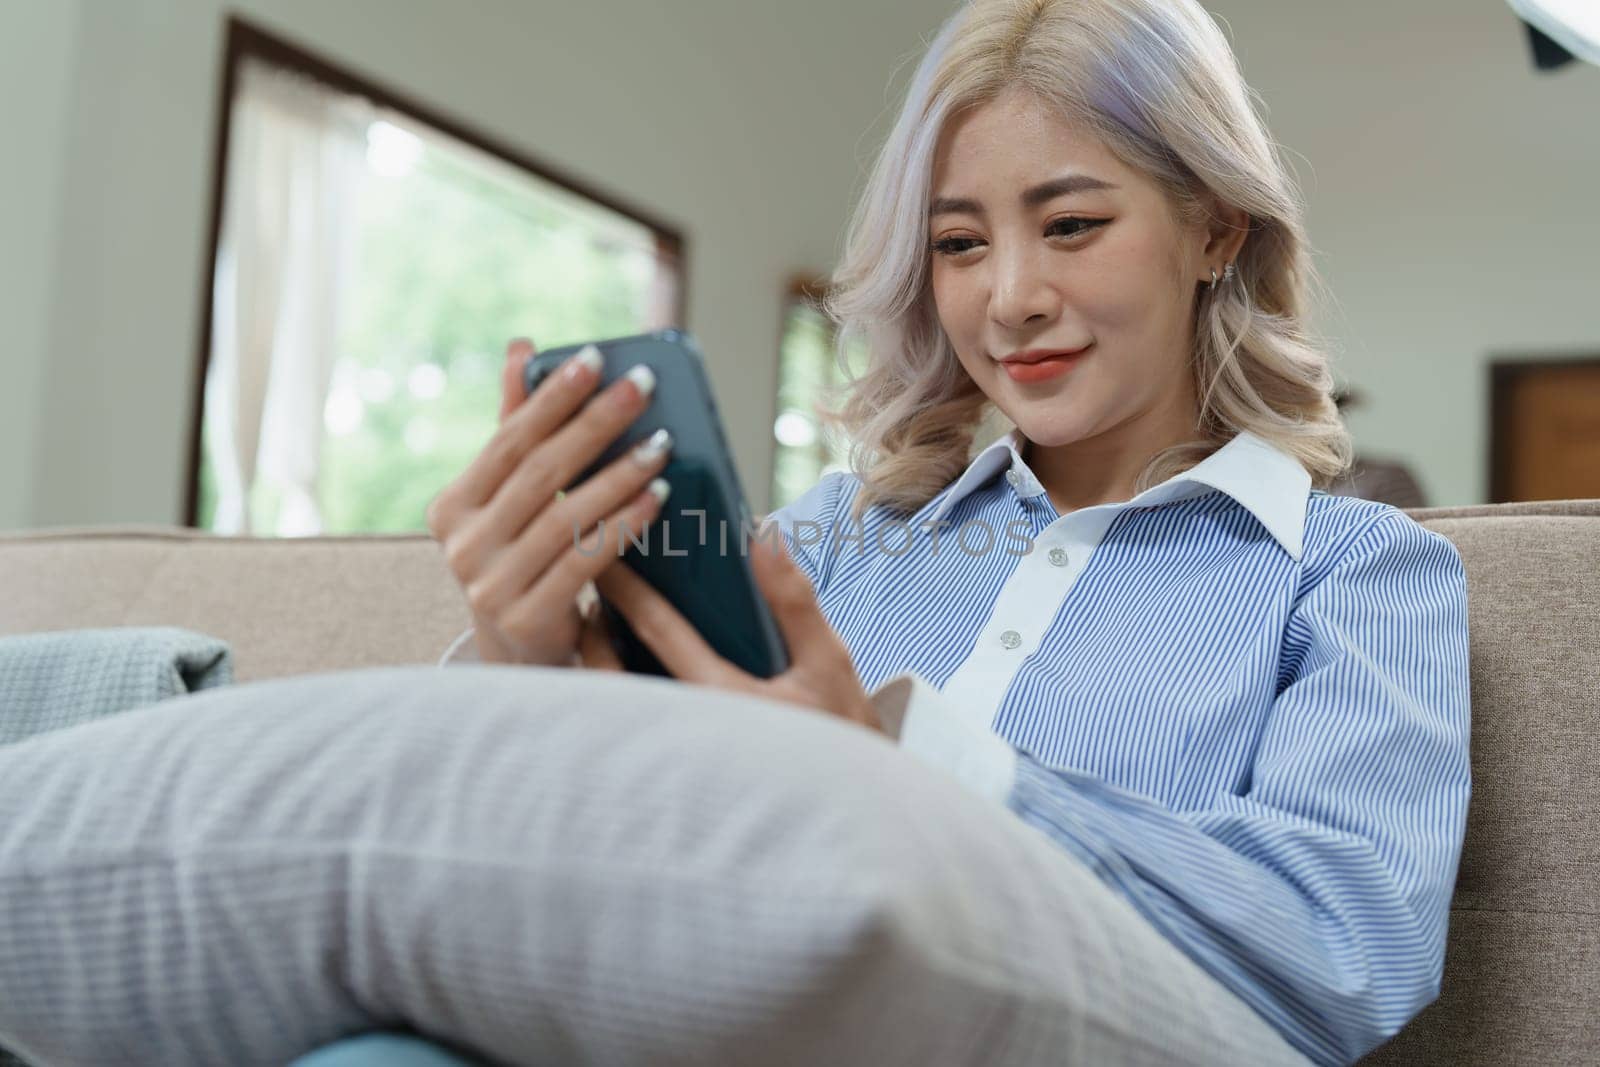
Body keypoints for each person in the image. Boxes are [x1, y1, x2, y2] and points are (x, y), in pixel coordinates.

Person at [425, 1, 1471, 1064]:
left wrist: (911, 766)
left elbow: (1341, 955)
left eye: (1070, 225)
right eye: (959, 244)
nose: (1009, 299)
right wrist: (529, 656)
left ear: (1213, 227)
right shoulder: (835, 537)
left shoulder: (1357, 576)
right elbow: (587, 853)